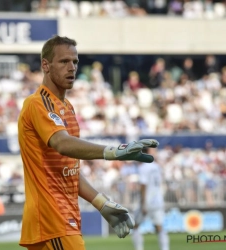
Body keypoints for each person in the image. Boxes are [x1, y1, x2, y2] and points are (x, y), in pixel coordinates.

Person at [17, 35, 159, 250]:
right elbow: (62, 144)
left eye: (75, 62)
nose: (71, 67)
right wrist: (115, 151)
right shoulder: (37, 103)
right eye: (64, 61)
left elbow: (68, 168)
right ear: (45, 65)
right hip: (51, 219)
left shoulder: (67, 108)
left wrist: (100, 202)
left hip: (63, 219)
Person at [131, 147, 169, 250]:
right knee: (159, 227)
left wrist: (143, 204)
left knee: (135, 226)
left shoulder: (143, 167)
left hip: (147, 201)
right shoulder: (156, 166)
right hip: (157, 200)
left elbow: (144, 186)